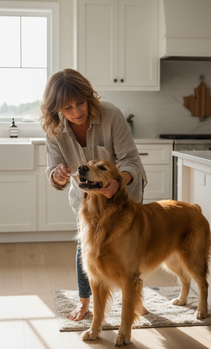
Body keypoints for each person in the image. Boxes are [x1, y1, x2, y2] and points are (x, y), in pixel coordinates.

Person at [40, 68, 147, 321]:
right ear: (55, 109)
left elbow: (130, 161)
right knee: (87, 248)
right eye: (67, 108)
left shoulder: (111, 115)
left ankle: (136, 301)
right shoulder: (53, 129)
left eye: (80, 103)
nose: (77, 112)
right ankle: (85, 303)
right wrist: (57, 174)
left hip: (123, 193)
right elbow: (52, 170)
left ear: (89, 97)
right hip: (86, 202)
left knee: (128, 249)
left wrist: (117, 184)